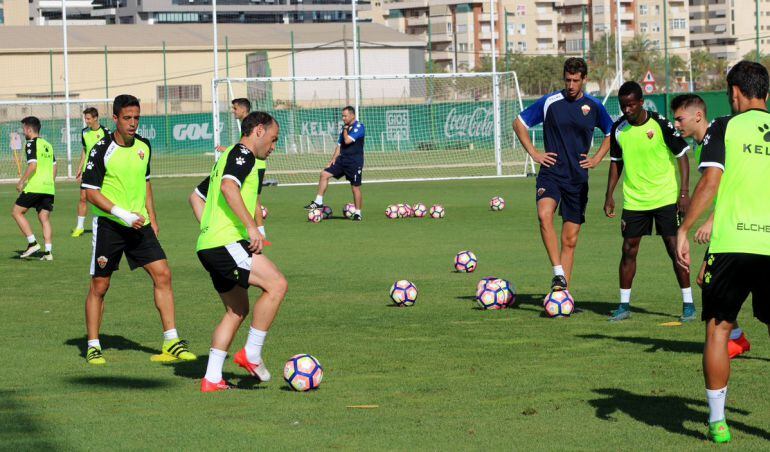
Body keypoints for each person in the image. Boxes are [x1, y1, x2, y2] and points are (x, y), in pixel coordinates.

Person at [676, 60, 770, 443]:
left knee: (718, 330)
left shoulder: (725, 127)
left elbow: (712, 180)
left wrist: (685, 229)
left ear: (734, 93)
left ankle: (717, 422)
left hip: (733, 247)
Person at [80, 94, 196, 365]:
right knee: (100, 285)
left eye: (136, 118)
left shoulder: (144, 146)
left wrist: (152, 218)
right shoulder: (101, 149)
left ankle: (171, 341)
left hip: (140, 225)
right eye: (127, 118)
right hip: (110, 225)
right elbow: (90, 192)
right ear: (116, 119)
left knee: (163, 274)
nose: (133, 123)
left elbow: (145, 183)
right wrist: (122, 214)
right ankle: (93, 345)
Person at [196, 112, 287, 392]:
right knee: (277, 285)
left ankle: (212, 378)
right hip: (226, 243)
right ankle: (252, 353)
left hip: (211, 244)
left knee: (237, 310)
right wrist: (250, 226)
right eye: (273, 139)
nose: (273, 147)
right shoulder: (243, 153)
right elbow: (227, 187)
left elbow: (195, 197)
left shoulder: (228, 158)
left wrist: (210, 230)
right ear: (258, 130)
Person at [513, 57, 613, 292]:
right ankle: (558, 272)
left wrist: (598, 158)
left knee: (570, 240)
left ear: (584, 80)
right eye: (567, 80)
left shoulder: (594, 106)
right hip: (551, 173)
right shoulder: (550, 102)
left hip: (578, 179)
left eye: (575, 81)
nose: (570, 85)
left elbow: (612, 131)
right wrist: (535, 153)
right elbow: (518, 123)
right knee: (544, 214)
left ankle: (562, 296)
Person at [604, 81, 692, 321]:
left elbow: (682, 156)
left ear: (641, 102)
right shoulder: (618, 129)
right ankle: (623, 306)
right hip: (635, 201)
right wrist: (609, 194)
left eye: (631, 105)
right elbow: (616, 162)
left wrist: (683, 193)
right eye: (623, 106)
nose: (627, 110)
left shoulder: (660, 123)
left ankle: (688, 305)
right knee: (628, 250)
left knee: (674, 249)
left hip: (664, 197)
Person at [672, 93, 750, 357]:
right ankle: (737, 338)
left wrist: (710, 221)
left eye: (680, 119)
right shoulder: (702, 144)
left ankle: (731, 339)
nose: (676, 124)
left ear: (698, 115)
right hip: (730, 222)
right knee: (705, 279)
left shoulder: (717, 134)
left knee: (712, 281)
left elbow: (734, 186)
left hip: (736, 225)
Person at [188, 98, 269, 239]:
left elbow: (244, 150)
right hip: (246, 164)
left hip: (255, 165)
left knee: (255, 198)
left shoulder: (250, 124)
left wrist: (226, 150)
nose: (233, 111)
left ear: (244, 109)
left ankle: (260, 230)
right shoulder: (247, 124)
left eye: (235, 108)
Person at [304, 106, 365, 221]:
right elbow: (339, 145)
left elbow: (347, 140)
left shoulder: (359, 127)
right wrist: (332, 160)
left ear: (352, 115)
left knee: (355, 188)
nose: (343, 118)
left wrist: (345, 129)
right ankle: (318, 202)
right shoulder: (344, 129)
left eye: (345, 115)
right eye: (342, 115)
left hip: (354, 162)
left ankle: (358, 213)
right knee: (324, 174)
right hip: (342, 160)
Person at [11, 116, 56, 260]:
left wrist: (21, 181)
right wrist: (50, 183)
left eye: (24, 128)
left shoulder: (31, 143)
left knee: (17, 212)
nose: (23, 131)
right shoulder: (47, 144)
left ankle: (32, 243)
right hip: (49, 187)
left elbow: (33, 165)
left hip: (36, 186)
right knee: (44, 218)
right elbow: (54, 166)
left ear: (29, 129)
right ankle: (48, 253)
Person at [72, 107, 109, 237]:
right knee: (83, 197)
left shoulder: (106, 132)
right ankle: (80, 227)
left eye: (88, 118)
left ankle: (105, 225)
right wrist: (79, 168)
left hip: (101, 171)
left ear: (95, 118)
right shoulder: (84, 132)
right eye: (85, 118)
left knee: (102, 198)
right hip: (87, 169)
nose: (86, 121)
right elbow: (84, 151)